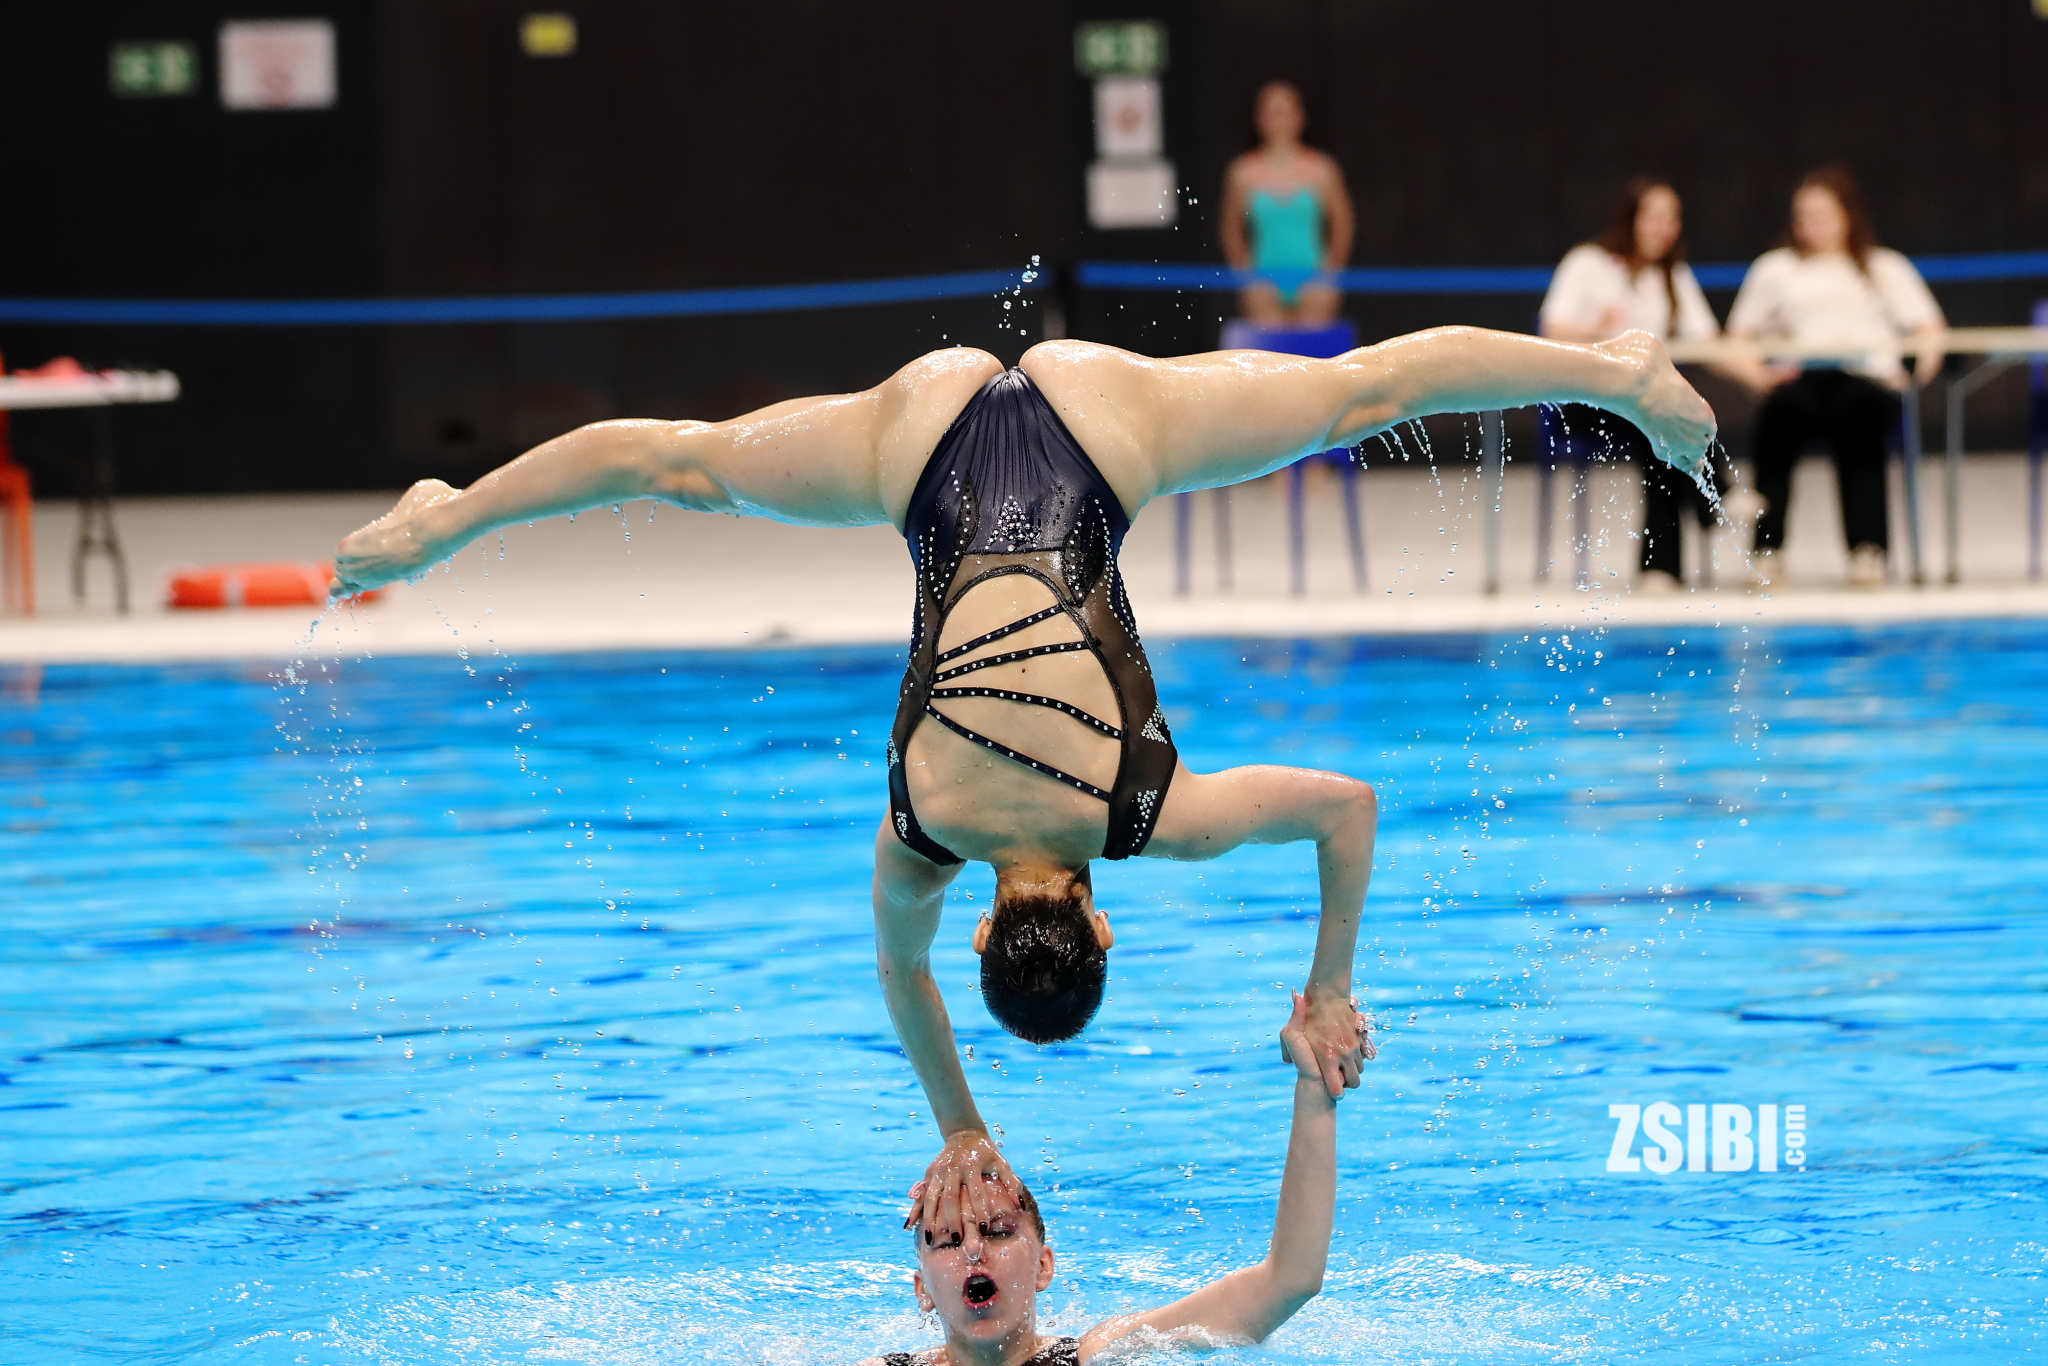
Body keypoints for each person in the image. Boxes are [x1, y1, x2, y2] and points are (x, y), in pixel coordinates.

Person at [330, 324, 1716, 1219]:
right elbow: (900, 976)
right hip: (920, 444)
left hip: (1102, 428)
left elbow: (1346, 812)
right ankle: (450, 524)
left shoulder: (1150, 817)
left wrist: (1331, 984)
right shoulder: (917, 835)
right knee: (682, 465)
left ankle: (1615, 376)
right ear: (987, 924)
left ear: (1103, 926)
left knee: (1363, 392)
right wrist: (961, 1132)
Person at [864, 994, 1341, 1366]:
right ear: (922, 1290)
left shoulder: (1100, 1355)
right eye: (947, 1241)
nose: (973, 1249)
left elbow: (1289, 1281)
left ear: (1043, 1267)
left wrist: (1314, 1084)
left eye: (1000, 1231)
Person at [1724, 163, 1945, 590]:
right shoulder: (1776, 269)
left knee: (1859, 418)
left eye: (1821, 215)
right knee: (1778, 417)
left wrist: (1912, 378)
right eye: (1803, 216)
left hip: (1866, 380)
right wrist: (1759, 377)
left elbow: (1930, 327)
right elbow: (1736, 336)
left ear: (1848, 216)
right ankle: (1768, 550)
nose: (1811, 226)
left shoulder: (1883, 266)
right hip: (1801, 377)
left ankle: (1867, 550)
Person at [1540, 176, 1730, 594]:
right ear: (1630, 219)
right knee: (1662, 420)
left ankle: (1662, 566)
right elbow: (1552, 330)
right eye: (1655, 217)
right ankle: (1714, 498)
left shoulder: (1671, 275)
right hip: (1586, 401)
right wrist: (1596, 330)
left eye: (1673, 218)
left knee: (1661, 428)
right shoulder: (1588, 263)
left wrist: (1760, 375)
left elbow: (1708, 341)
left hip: (1644, 404)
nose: (1665, 228)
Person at [1218, 81, 1354, 327]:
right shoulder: (1242, 173)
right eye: (1271, 113)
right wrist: (1246, 277)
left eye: (1284, 112)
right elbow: (1230, 229)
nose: (1278, 121)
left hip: (1314, 277)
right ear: (1259, 119)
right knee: (1269, 348)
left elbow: (1343, 224)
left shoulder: (1323, 170)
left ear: (1300, 117)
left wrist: (1331, 274)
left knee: (1312, 348)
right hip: (1263, 279)